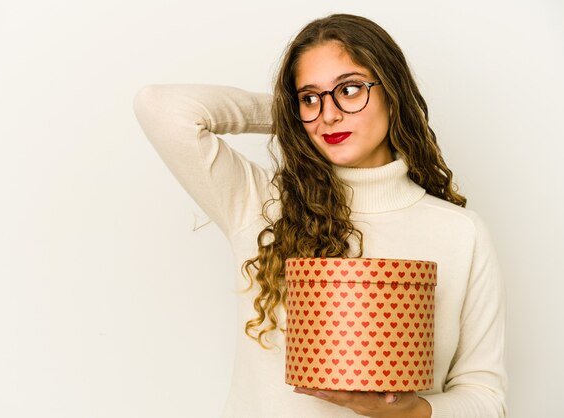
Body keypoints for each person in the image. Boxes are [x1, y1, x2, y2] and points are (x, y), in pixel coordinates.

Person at [134, 13, 506, 418]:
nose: (328, 115)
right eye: (310, 97)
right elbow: (160, 107)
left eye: (349, 90)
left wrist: (408, 411)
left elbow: (486, 398)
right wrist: (294, 119)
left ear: (392, 91)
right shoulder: (261, 203)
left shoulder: (460, 233)